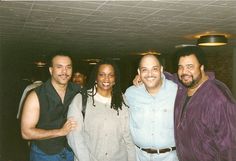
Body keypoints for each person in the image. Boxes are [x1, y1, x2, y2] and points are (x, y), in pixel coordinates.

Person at [174, 46, 236, 161]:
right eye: (180, 67)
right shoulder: (182, 89)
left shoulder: (219, 97)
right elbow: (169, 78)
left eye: (190, 67)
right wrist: (147, 76)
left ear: (202, 67)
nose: (184, 72)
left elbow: (230, 147)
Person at [67, 59, 136, 161]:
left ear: (115, 79)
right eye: (102, 74)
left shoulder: (122, 100)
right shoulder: (81, 99)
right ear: (96, 77)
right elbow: (74, 137)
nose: (106, 79)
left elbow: (128, 136)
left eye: (111, 75)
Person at [21, 53, 82, 161]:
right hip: (44, 154)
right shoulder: (36, 95)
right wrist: (60, 131)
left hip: (70, 151)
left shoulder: (78, 91)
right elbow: (26, 132)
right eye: (59, 67)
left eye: (68, 67)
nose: (64, 72)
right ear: (51, 70)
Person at [125, 53, 179, 161]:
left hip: (171, 157)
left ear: (161, 69)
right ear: (139, 72)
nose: (150, 74)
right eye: (144, 70)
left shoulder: (176, 91)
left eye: (154, 69)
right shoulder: (130, 94)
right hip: (139, 157)